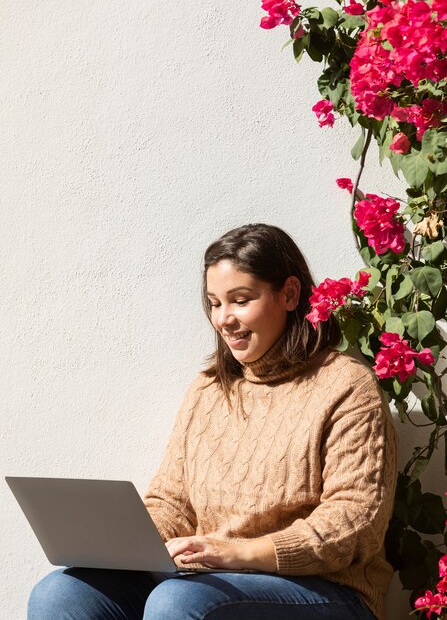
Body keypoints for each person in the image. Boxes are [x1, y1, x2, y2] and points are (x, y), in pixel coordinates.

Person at [28, 223, 398, 620]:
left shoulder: (345, 385)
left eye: (240, 300)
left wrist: (242, 553)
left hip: (326, 590)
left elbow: (355, 522)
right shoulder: (208, 390)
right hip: (208, 578)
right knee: (61, 593)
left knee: (180, 602)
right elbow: (173, 501)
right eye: (215, 303)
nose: (224, 319)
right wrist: (133, 542)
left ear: (290, 294)